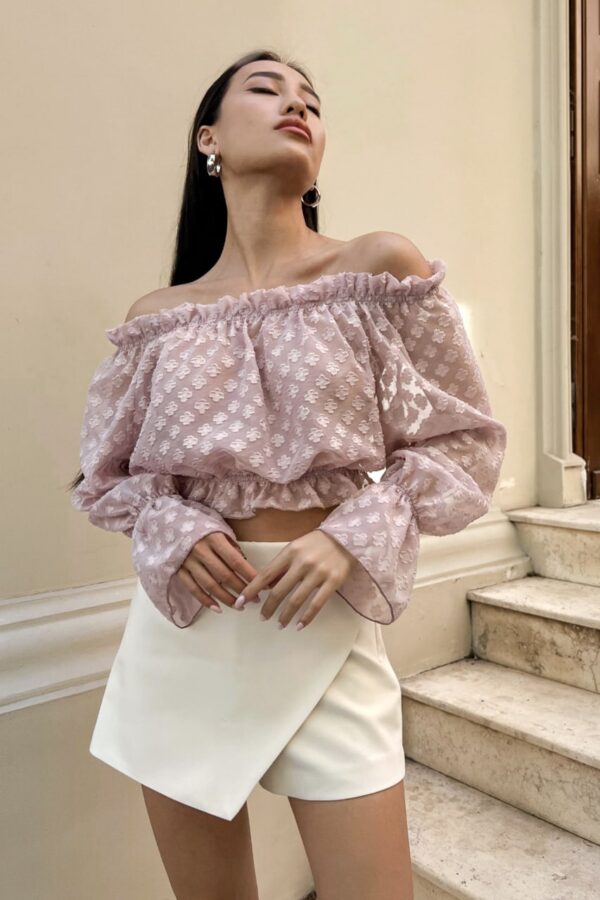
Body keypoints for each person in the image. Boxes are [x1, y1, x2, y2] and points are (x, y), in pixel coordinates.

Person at [69, 48, 507, 900]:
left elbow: (465, 441)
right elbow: (107, 477)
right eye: (266, 89)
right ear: (208, 139)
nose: (297, 105)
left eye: (311, 99)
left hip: (323, 624)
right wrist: (172, 524)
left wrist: (354, 534)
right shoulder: (156, 320)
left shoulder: (380, 269)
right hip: (185, 634)